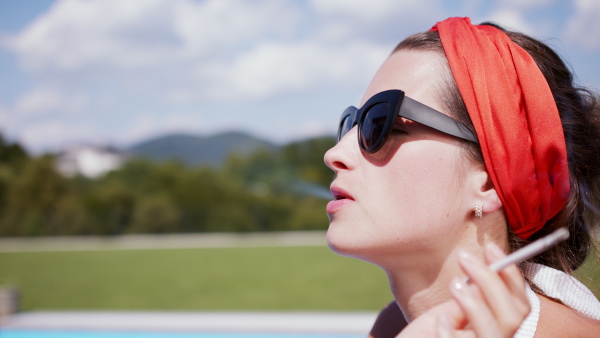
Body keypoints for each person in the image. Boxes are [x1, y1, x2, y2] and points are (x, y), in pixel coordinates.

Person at [324, 17, 600, 337]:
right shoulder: (394, 328)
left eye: (380, 123)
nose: (334, 154)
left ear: (490, 180)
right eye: (351, 123)